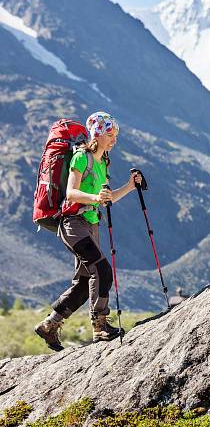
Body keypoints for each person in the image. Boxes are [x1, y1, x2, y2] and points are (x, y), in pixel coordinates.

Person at [35, 112, 142, 351]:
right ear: (97, 133)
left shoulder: (103, 162)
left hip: (91, 224)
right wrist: (95, 197)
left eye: (115, 135)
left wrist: (130, 186)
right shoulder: (81, 157)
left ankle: (50, 325)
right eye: (110, 134)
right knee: (101, 269)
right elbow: (71, 193)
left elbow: (107, 198)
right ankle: (100, 326)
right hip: (72, 223)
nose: (114, 140)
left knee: (84, 283)